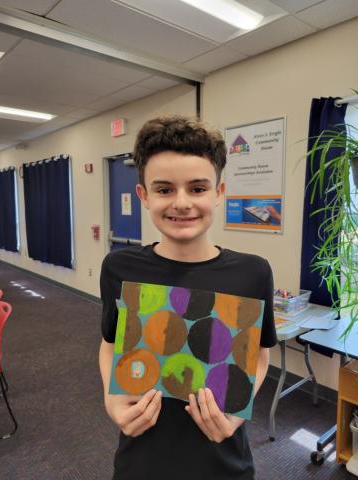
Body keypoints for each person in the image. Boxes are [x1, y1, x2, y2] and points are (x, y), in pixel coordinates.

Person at [99, 115, 277, 480]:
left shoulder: (253, 272)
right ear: (144, 196)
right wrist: (112, 400)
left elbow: (259, 355)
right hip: (142, 457)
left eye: (197, 188)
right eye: (164, 190)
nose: (181, 203)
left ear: (219, 192)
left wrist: (235, 415)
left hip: (222, 457)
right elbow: (109, 344)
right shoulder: (119, 267)